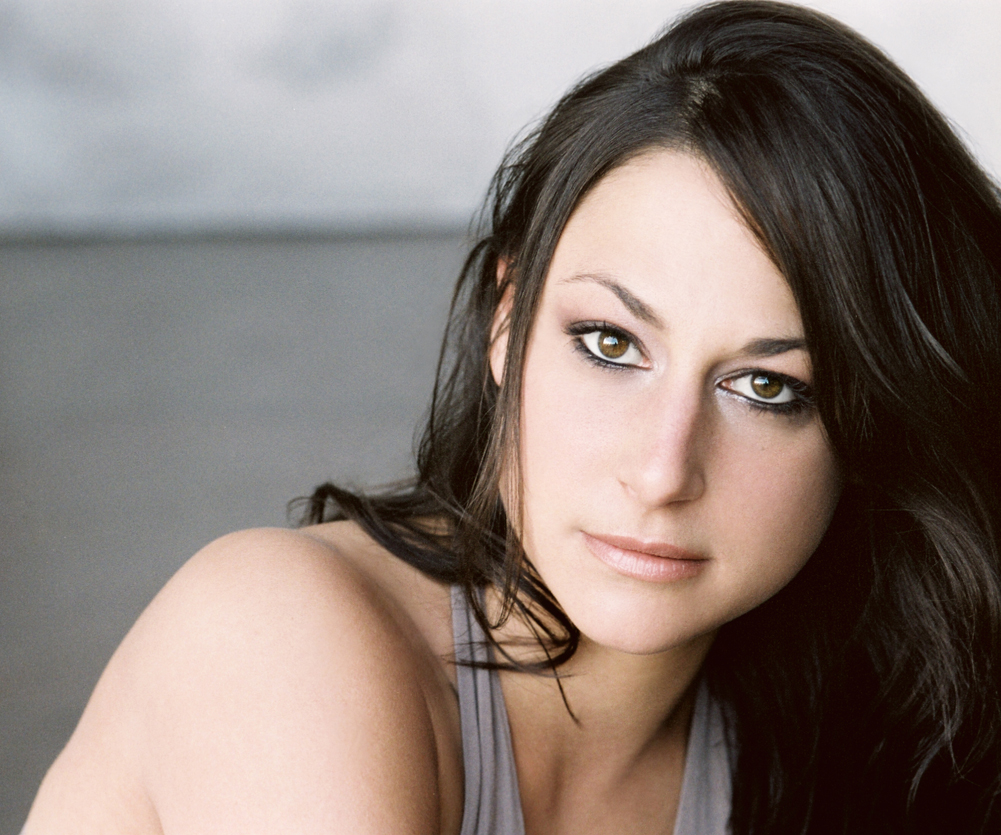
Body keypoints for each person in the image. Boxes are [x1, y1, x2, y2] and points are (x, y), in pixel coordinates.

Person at [23, 1, 1001, 833]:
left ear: (872, 429)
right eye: (610, 343)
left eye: (767, 388)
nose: (661, 471)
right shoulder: (276, 638)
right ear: (506, 318)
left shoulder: (834, 743)